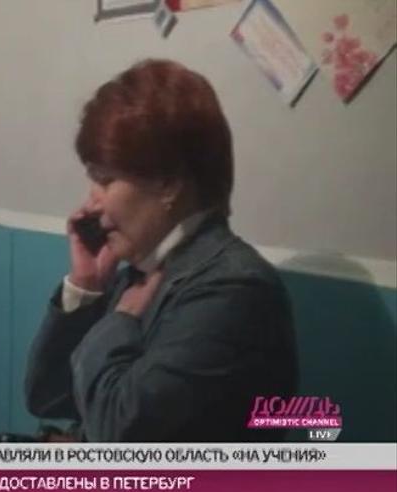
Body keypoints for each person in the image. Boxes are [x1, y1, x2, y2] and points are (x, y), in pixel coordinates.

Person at [24, 59, 298, 442]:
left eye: (105, 179)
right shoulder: (140, 272)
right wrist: (86, 289)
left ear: (168, 184)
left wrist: (119, 320)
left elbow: (122, 435)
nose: (92, 200)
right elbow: (49, 397)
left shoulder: (234, 290)